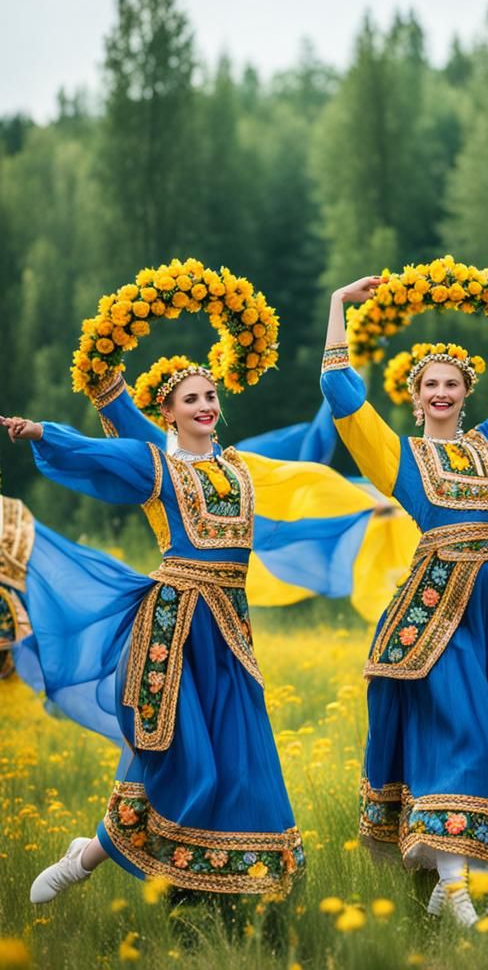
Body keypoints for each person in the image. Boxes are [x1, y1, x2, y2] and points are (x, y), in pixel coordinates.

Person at [1, 365, 304, 903]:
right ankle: (86, 859)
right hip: (174, 629)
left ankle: (223, 882)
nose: (205, 406)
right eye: (191, 399)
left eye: (211, 396)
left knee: (238, 751)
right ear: (168, 413)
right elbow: (96, 453)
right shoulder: (157, 466)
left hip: (229, 632)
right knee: (172, 753)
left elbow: (302, 458)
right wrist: (43, 432)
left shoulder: (239, 468)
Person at [319, 276, 488, 926]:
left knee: (484, 729)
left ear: (464, 396)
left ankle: (449, 881)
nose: (441, 392)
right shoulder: (400, 457)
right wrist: (338, 306)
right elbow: (341, 393)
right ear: (416, 399)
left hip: (484, 602)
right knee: (466, 725)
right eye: (430, 386)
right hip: (430, 606)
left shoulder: (487, 448)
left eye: (451, 384)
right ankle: (456, 884)